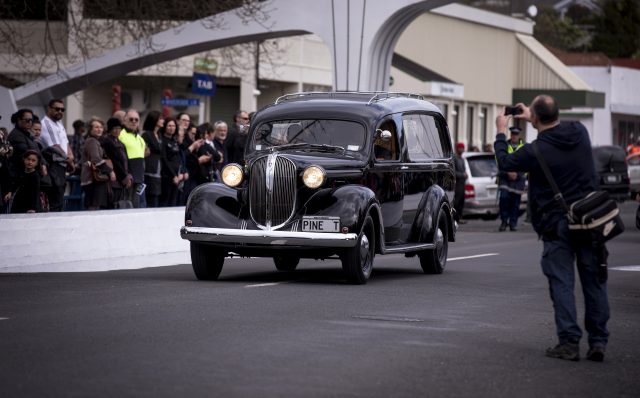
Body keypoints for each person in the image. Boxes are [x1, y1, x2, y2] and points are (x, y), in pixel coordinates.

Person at [494, 95, 609, 362]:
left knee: (562, 283)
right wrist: (534, 116)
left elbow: (505, 162)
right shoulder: (579, 132)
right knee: (594, 282)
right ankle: (598, 342)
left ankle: (569, 342)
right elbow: (557, 123)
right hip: (591, 219)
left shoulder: (535, 151)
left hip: (557, 225)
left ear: (534, 118)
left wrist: (501, 131)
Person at [40, 99, 74, 211]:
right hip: (53, 165)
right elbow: (55, 147)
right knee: (55, 199)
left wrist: (71, 157)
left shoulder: (59, 124)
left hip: (62, 164)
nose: (60, 111)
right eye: (57, 109)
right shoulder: (46, 123)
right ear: (49, 109)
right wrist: (68, 160)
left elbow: (66, 143)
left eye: (62, 109)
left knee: (60, 198)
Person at [80, 118, 113, 210]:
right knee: (94, 206)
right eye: (96, 127)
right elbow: (95, 159)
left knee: (95, 206)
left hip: (94, 179)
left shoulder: (95, 141)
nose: (99, 129)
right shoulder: (91, 141)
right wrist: (110, 171)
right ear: (90, 129)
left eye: (101, 127)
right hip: (93, 179)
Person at [497, 127, 526, 231]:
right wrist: (508, 172)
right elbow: (499, 161)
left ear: (519, 136)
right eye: (513, 134)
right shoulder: (505, 145)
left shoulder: (524, 146)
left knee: (515, 203)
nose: (514, 136)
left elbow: (526, 163)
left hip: (519, 179)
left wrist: (517, 174)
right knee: (503, 199)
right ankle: (504, 221)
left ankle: (513, 223)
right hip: (505, 177)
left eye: (516, 134)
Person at [118, 109, 147, 208]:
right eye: (131, 119)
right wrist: (125, 175)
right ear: (124, 121)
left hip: (139, 176)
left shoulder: (139, 138)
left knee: (137, 205)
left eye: (136, 119)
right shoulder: (121, 134)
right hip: (127, 175)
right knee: (127, 205)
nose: (134, 121)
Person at [102, 117, 133, 208]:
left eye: (119, 128)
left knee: (121, 204)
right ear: (110, 129)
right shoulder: (107, 142)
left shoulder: (120, 143)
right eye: (114, 128)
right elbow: (115, 162)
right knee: (114, 204)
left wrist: (129, 176)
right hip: (115, 180)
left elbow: (127, 160)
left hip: (123, 179)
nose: (117, 131)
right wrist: (124, 178)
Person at [141, 111, 164, 207]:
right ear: (154, 120)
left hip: (159, 172)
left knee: (157, 199)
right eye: (160, 118)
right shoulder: (147, 135)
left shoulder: (159, 135)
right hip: (149, 171)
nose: (163, 120)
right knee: (151, 200)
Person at [159, 118, 182, 206]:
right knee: (165, 202)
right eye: (169, 125)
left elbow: (178, 158)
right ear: (165, 127)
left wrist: (180, 173)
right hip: (167, 177)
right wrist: (173, 175)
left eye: (173, 126)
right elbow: (164, 159)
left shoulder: (174, 141)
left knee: (173, 203)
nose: (171, 128)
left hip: (177, 177)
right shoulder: (162, 140)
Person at [453, 142, 467, 224]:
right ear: (457, 148)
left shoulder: (462, 159)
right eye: (460, 148)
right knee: (457, 202)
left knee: (461, 201)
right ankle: (455, 218)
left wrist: (465, 175)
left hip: (462, 183)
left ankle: (460, 217)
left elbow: (464, 170)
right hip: (457, 184)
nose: (462, 149)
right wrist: (462, 175)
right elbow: (454, 172)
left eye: (463, 148)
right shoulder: (455, 158)